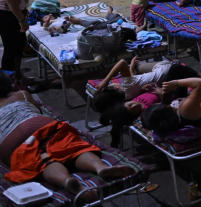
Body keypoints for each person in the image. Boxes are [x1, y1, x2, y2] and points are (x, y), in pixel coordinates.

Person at [0, 81, 135, 198]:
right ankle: (100, 167)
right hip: (39, 125)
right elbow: (38, 110)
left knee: (44, 160)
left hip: (11, 141)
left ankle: (65, 180)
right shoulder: (20, 94)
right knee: (73, 147)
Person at [92, 57, 201, 146]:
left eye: (130, 104)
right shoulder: (146, 110)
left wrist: (143, 87)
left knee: (139, 66)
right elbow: (166, 104)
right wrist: (160, 92)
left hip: (155, 82)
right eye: (112, 86)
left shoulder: (131, 97)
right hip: (166, 87)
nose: (115, 84)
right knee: (175, 69)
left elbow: (137, 87)